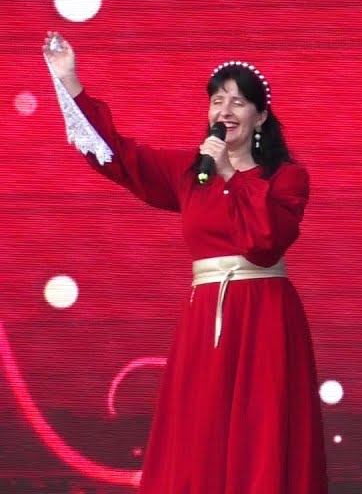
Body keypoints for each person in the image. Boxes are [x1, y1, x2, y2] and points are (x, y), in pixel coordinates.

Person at [42, 31, 328, 493]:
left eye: (238, 102)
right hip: (205, 321)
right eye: (217, 101)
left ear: (260, 116)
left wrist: (230, 172)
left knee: (262, 430)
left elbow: (264, 243)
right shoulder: (190, 172)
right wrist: (69, 80)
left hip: (266, 319)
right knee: (199, 433)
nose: (225, 111)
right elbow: (119, 157)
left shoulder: (286, 178)